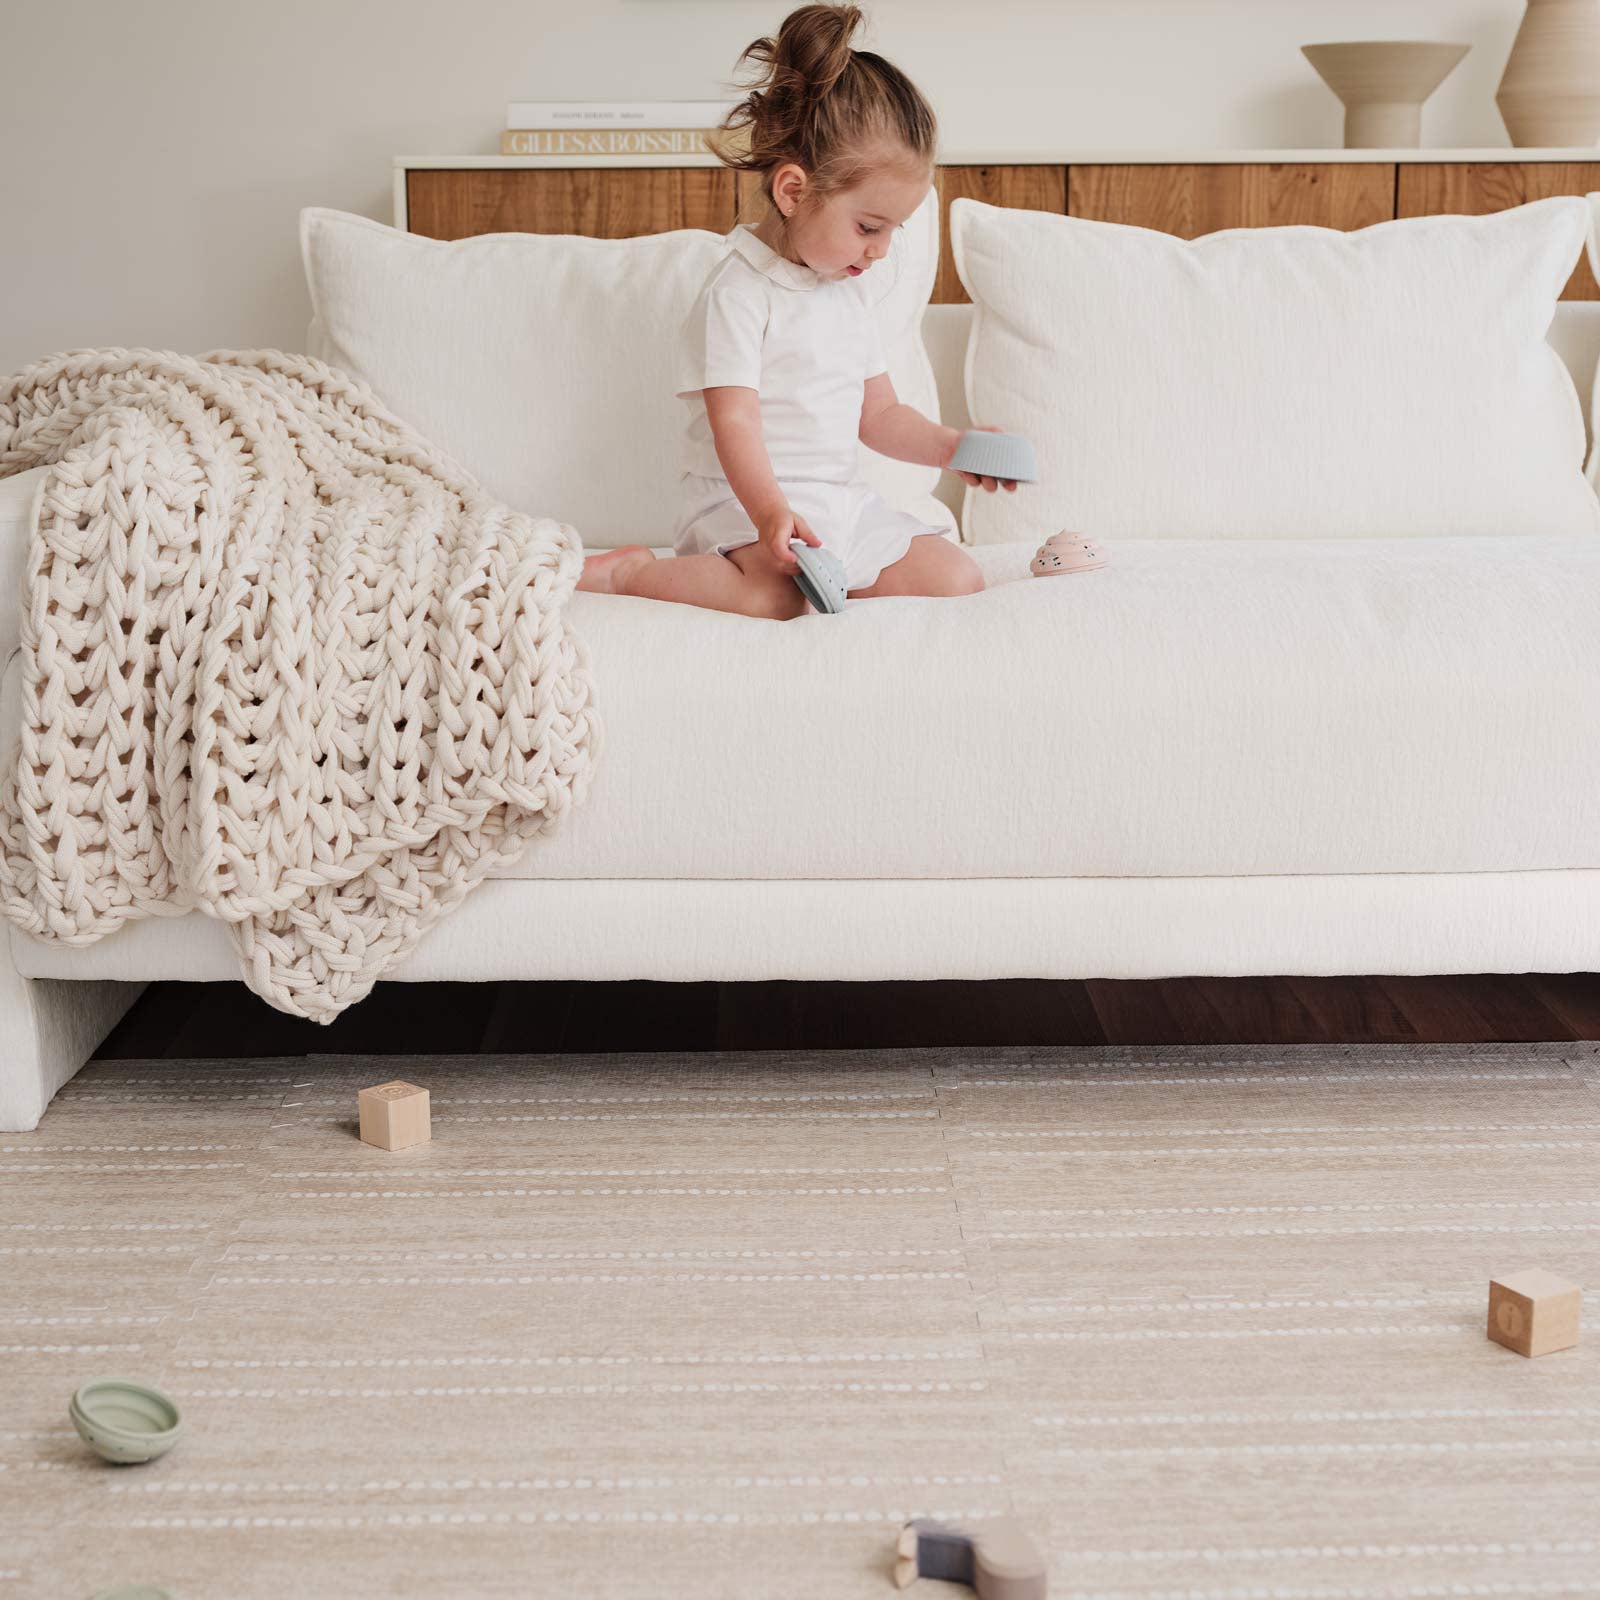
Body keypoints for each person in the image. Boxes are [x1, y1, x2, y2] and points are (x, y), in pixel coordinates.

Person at [578, 2, 1019, 618]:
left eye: (894, 230)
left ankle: (830, 568)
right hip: (745, 507)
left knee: (955, 577)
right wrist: (769, 515)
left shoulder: (848, 290)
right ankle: (631, 574)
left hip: (837, 506)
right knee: (773, 598)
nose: (882, 250)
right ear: (793, 191)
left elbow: (881, 413)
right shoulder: (737, 293)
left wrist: (952, 447)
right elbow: (736, 426)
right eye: (869, 226)